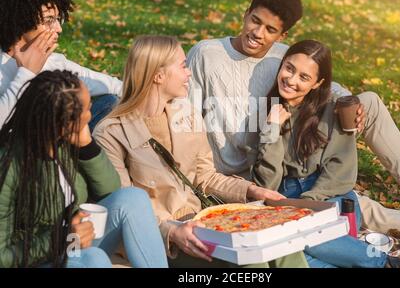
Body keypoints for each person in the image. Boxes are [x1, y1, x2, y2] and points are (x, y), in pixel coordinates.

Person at [187, 0, 400, 211]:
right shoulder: (206, 54)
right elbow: (182, 114)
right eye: (255, 21)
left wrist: (350, 103)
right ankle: (339, 203)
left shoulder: (282, 55)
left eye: (270, 29)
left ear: (282, 35)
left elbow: (322, 82)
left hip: (285, 153)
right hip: (244, 174)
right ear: (246, 14)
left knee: (367, 101)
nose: (258, 33)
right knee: (357, 210)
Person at [93, 35, 308, 268]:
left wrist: (253, 191)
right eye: (183, 66)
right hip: (161, 240)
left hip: (201, 221)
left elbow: (205, 176)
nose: (189, 73)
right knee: (251, 259)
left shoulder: (187, 115)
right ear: (158, 75)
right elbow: (128, 208)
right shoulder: (111, 132)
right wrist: (171, 232)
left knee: (283, 241)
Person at [252, 39, 400, 268]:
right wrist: (271, 131)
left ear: (318, 83)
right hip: (287, 196)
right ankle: (388, 264)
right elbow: (267, 184)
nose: (291, 79)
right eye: (289, 68)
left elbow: (340, 174)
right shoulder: (269, 111)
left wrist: (306, 206)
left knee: (303, 242)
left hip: (332, 197)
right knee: (301, 258)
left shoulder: (336, 109)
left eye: (304, 77)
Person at [0, 70, 168, 268]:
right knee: (94, 259)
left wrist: (87, 146)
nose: (92, 112)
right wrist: (59, 239)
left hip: (74, 241)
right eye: (88, 108)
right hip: (36, 259)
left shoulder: (66, 142)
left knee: (133, 198)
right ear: (64, 123)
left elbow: (111, 190)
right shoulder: (9, 166)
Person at [0, 0, 122, 131]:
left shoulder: (51, 61)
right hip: (14, 151)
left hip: (58, 145)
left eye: (58, 19)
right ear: (21, 20)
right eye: (49, 20)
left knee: (110, 101)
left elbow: (106, 84)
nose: (58, 29)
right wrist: (26, 72)